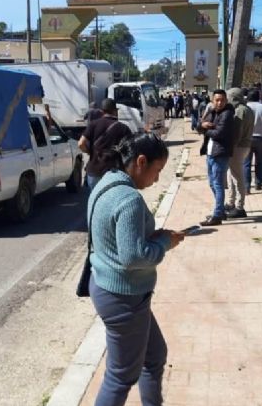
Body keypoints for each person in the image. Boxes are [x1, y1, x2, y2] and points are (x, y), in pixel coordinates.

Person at [87, 133, 184, 406]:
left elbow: (116, 241)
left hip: (113, 289)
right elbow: (132, 257)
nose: (156, 179)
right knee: (120, 377)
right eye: (157, 170)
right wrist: (165, 242)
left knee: (154, 356)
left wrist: (152, 239)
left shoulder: (105, 183)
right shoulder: (128, 198)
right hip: (123, 298)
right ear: (141, 161)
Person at [78, 98, 133, 191]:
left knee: (96, 202)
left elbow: (81, 143)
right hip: (114, 172)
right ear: (115, 111)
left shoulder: (93, 124)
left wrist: (89, 152)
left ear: (102, 111)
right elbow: (130, 151)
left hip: (94, 171)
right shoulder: (123, 128)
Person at [199, 90, 235, 227]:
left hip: (220, 153)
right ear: (212, 101)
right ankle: (220, 210)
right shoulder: (212, 112)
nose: (219, 103)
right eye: (217, 100)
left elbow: (219, 133)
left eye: (222, 100)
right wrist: (203, 126)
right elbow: (199, 125)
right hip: (210, 153)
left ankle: (218, 214)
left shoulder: (227, 114)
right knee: (212, 184)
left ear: (226, 101)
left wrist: (206, 129)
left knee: (218, 185)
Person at [225, 88, 255, 219]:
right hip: (243, 145)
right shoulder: (246, 109)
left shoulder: (240, 110)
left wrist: (230, 145)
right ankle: (231, 202)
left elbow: (237, 132)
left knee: (237, 177)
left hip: (238, 146)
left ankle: (239, 206)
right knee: (231, 175)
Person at [244, 89, 262, 191]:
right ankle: (258, 183)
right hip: (261, 137)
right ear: (259, 97)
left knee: (246, 162)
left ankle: (247, 186)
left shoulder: (245, 107)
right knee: (259, 162)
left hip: (247, 138)